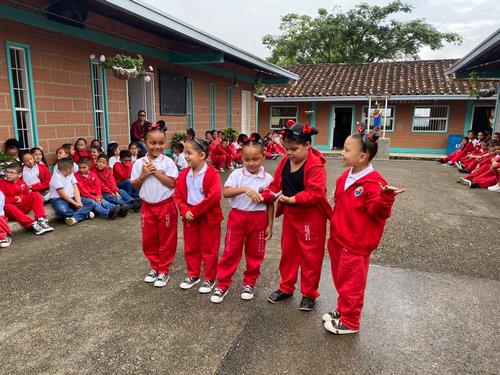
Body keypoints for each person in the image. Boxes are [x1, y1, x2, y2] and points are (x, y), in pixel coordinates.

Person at [323, 130, 405, 335]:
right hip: (339, 239)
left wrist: (386, 198)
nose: (342, 152)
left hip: (356, 243)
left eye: (346, 149)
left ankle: (351, 321)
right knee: (342, 280)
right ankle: (343, 311)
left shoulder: (374, 183)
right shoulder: (345, 177)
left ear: (362, 157)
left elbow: (378, 213)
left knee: (352, 283)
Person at [261, 121, 331, 311]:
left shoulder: (315, 165)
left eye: (293, 149)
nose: (289, 153)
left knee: (310, 256)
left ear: (307, 145)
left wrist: (292, 199)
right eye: (286, 149)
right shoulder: (285, 161)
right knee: (288, 253)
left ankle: (309, 294)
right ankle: (286, 287)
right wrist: (267, 193)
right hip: (291, 216)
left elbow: (316, 193)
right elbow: (275, 184)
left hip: (311, 216)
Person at [211, 139, 274, 303]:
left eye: (255, 159)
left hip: (259, 219)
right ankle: (223, 284)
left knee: (255, 253)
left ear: (263, 157)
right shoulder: (237, 174)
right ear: (241, 157)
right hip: (237, 217)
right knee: (230, 252)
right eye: (247, 159)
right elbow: (226, 193)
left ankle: (249, 283)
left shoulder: (268, 178)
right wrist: (245, 189)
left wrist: (270, 225)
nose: (251, 163)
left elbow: (270, 203)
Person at [131, 121, 179, 288]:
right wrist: (144, 174)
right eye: (152, 143)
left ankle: (164, 269)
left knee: (166, 238)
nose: (157, 146)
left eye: (160, 143)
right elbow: (135, 185)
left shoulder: (168, 162)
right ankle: (154, 266)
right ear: (145, 143)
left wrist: (156, 173)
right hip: (147, 207)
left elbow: (173, 183)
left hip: (166, 206)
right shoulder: (139, 163)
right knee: (149, 239)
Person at [174, 138, 223, 294]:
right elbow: (178, 195)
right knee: (191, 247)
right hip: (189, 216)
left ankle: (209, 278)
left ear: (202, 155)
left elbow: (214, 196)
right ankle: (193, 274)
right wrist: (185, 210)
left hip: (208, 217)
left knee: (209, 248)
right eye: (184, 153)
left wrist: (194, 212)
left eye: (189, 153)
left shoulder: (212, 173)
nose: (186, 156)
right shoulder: (184, 174)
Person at [0, 162, 54, 235]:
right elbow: (2, 200)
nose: (7, 174)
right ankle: (31, 224)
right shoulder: (2, 183)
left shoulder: (21, 182)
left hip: (22, 208)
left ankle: (41, 219)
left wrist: (21, 197)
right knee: (8, 206)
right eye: (7, 172)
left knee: (35, 194)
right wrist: (15, 199)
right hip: (11, 211)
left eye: (11, 172)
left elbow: (27, 195)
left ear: (19, 175)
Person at [50, 158, 95, 225]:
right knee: (62, 210)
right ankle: (85, 215)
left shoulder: (70, 174)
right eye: (73, 168)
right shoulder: (56, 177)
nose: (74, 169)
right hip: (59, 199)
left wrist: (78, 201)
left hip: (72, 197)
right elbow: (62, 194)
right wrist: (75, 204)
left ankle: (74, 218)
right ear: (68, 169)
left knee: (91, 202)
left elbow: (75, 187)